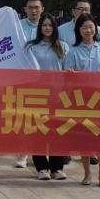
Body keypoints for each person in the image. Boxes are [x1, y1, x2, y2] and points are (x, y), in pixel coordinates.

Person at [63, 13, 100, 187]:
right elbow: (66, 77)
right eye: (84, 27)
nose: (88, 30)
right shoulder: (73, 51)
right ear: (79, 30)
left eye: (91, 27)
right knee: (83, 137)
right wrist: (71, 76)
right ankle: (87, 173)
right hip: (82, 101)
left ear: (96, 29)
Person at [24, 12, 71, 181]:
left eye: (50, 25)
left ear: (55, 28)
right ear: (40, 28)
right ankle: (41, 167)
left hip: (58, 95)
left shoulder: (63, 46)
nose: (47, 28)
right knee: (39, 131)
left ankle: (57, 168)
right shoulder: (31, 47)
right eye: (44, 25)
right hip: (37, 94)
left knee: (57, 131)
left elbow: (67, 69)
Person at [14, 0, 46, 170]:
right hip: (24, 80)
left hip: (45, 81)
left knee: (43, 118)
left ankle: (40, 153)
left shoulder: (48, 26)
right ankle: (23, 153)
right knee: (25, 117)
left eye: (37, 7)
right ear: (25, 9)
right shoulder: (17, 27)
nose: (34, 11)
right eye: (31, 7)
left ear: (42, 9)